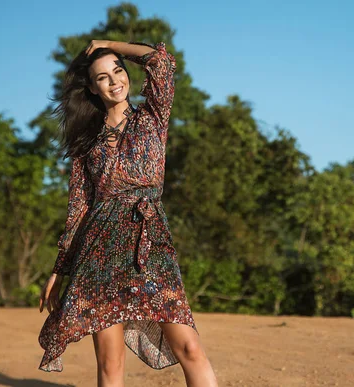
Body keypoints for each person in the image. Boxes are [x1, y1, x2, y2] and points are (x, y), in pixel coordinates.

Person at [37, 40, 218, 386]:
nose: (114, 81)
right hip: (99, 253)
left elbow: (161, 62)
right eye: (102, 77)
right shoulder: (85, 142)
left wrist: (107, 44)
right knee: (110, 364)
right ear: (91, 88)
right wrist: (60, 269)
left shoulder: (152, 116)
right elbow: (79, 208)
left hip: (150, 248)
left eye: (118, 70)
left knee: (190, 348)